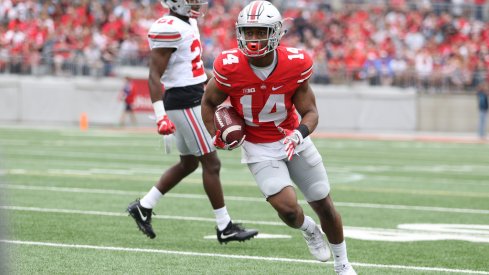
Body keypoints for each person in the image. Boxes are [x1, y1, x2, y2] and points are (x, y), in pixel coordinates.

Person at [201, 2, 356, 274]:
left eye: (260, 32)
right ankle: (308, 229)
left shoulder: (295, 63)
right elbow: (208, 102)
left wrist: (300, 134)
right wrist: (216, 135)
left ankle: (342, 265)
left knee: (323, 202)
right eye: (248, 32)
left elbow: (310, 112)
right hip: (258, 146)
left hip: (292, 139)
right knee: (288, 210)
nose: (253, 39)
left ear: (275, 32)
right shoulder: (229, 66)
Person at [127, 0, 258, 243]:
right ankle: (224, 226)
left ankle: (143, 206)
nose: (196, 2)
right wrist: (160, 117)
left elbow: (193, 67)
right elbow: (154, 76)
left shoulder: (188, 23)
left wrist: (218, 82)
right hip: (185, 101)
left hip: (193, 94)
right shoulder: (168, 27)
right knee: (211, 163)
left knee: (188, 164)